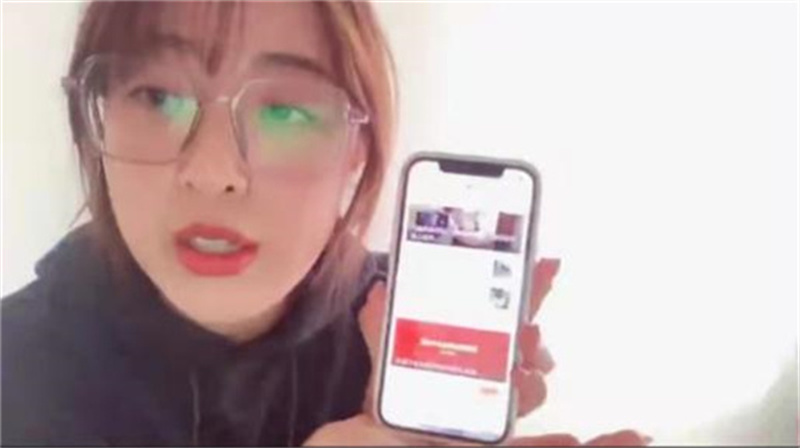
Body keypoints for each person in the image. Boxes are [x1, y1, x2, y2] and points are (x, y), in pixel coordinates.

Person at [1, 1, 649, 446]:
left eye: (284, 111)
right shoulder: (18, 371)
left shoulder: (401, 339)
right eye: (159, 96)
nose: (213, 172)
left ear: (358, 149)